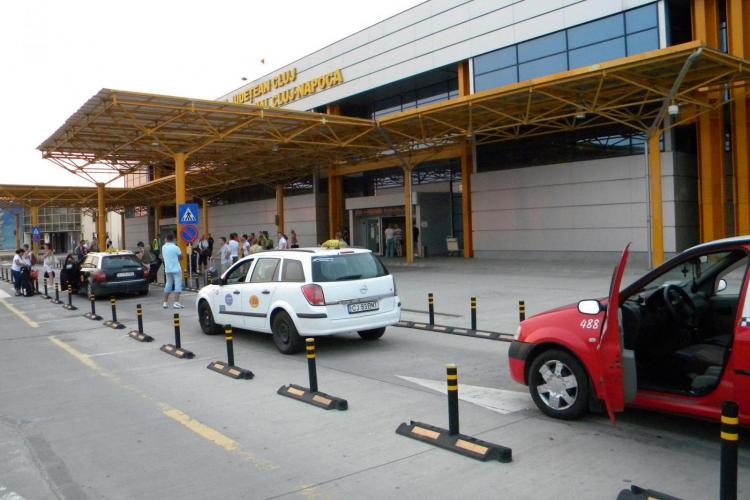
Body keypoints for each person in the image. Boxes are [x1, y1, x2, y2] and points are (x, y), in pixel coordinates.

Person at [160, 234, 183, 309]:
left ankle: (165, 303)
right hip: (176, 269)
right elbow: (181, 257)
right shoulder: (175, 247)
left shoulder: (163, 247)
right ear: (173, 239)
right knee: (178, 285)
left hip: (168, 269)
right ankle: (176, 302)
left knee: (168, 284)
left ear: (166, 239)